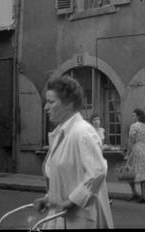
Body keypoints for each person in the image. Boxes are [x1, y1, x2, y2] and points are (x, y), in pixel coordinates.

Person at [32, 75, 113, 229]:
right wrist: (49, 198)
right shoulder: (61, 133)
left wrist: (72, 202)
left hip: (79, 219)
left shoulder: (82, 132)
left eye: (51, 102)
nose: (45, 107)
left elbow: (97, 172)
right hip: (60, 217)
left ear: (68, 103)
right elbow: (67, 179)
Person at [125, 108, 145, 203]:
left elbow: (130, 141)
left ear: (138, 116)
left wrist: (128, 152)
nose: (132, 117)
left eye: (133, 115)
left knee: (130, 171)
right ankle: (143, 195)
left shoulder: (133, 126)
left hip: (136, 149)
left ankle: (134, 192)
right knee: (143, 173)